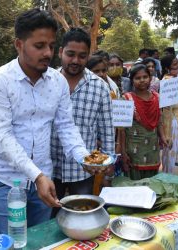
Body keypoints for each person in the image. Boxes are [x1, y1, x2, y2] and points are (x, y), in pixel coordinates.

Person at [0, 8, 90, 234]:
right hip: (7, 182)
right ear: (19, 45)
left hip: (43, 179)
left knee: (40, 240)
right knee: (10, 243)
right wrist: (37, 175)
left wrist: (84, 156)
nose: (47, 53)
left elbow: (65, 125)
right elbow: (2, 137)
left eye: (51, 46)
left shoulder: (57, 82)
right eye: (39, 46)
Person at [51, 28, 115, 217]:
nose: (75, 61)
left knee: (82, 215)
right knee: (48, 219)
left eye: (82, 56)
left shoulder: (100, 87)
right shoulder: (47, 81)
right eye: (70, 54)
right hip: (48, 166)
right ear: (61, 51)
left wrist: (108, 166)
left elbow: (107, 129)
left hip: (82, 169)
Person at [121, 64, 168, 180]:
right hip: (134, 150)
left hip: (153, 148)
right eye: (137, 78)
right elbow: (121, 129)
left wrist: (163, 136)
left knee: (152, 183)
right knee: (135, 184)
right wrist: (123, 152)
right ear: (132, 81)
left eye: (145, 77)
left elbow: (159, 120)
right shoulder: (126, 99)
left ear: (150, 78)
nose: (142, 80)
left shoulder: (157, 97)